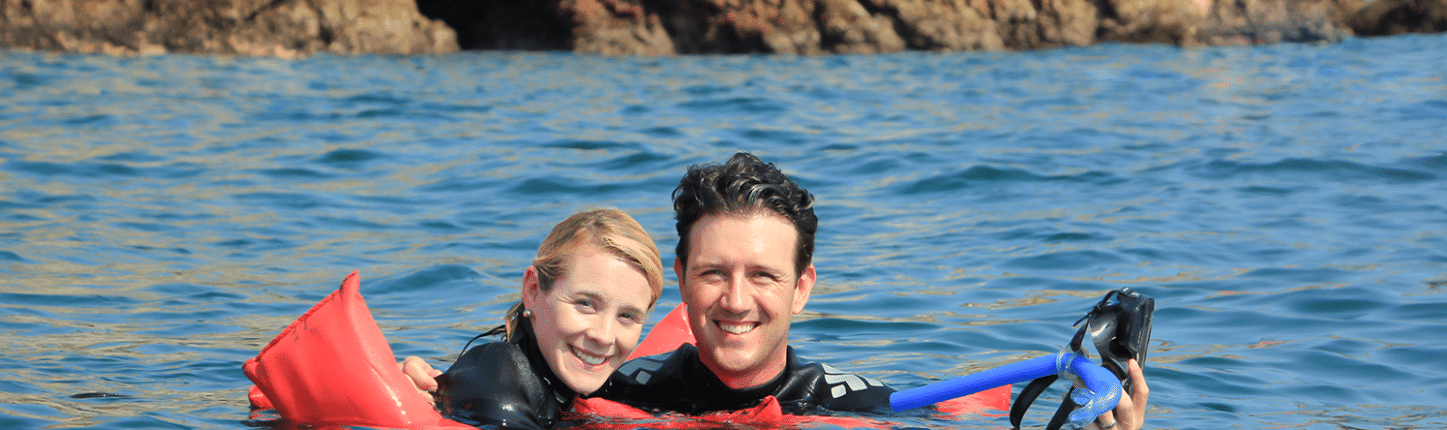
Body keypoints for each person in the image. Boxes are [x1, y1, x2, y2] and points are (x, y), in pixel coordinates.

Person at [591, 153, 1149, 430]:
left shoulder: (865, 408)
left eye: (764, 275)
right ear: (682, 278)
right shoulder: (616, 391)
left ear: (802, 288)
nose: (736, 300)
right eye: (714, 274)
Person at [399, 208, 664, 430]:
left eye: (627, 316)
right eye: (585, 304)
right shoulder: (497, 385)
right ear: (533, 290)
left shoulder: (577, 385)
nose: (604, 336)